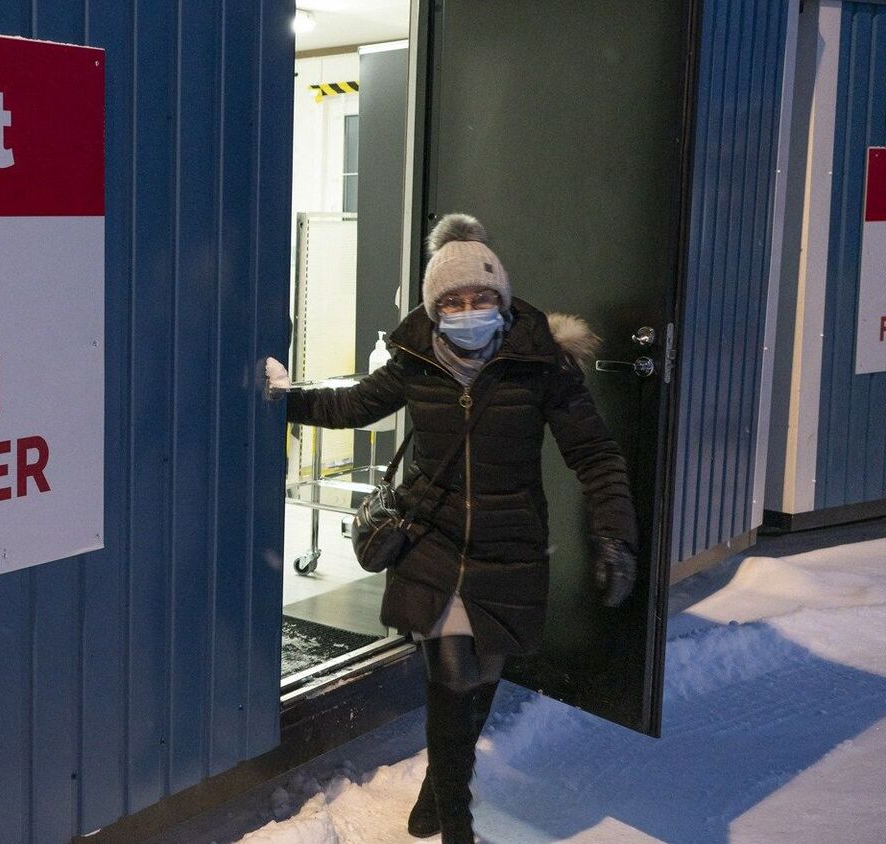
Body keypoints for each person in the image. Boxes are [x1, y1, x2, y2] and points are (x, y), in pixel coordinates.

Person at [264, 213, 638, 843]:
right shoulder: (414, 359)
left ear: (504, 299)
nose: (470, 309)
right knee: (451, 671)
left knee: (485, 672)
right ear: (434, 308)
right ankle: (456, 816)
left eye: (482, 297)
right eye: (454, 300)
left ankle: (440, 786)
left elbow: (595, 454)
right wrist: (284, 397)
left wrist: (614, 532)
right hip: (431, 538)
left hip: (510, 541)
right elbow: (354, 404)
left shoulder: (540, 362)